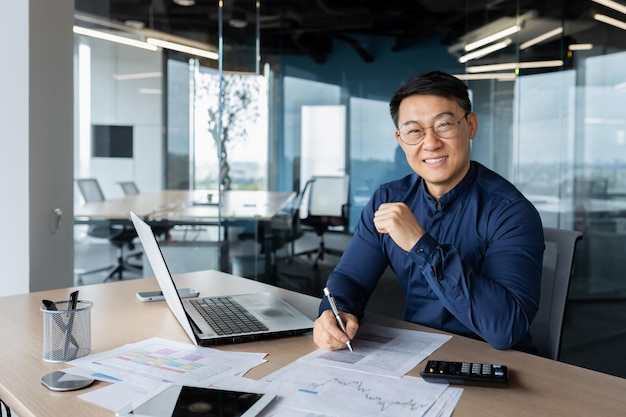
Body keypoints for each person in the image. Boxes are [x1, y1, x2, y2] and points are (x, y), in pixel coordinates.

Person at [313, 71, 544, 353]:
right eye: (414, 131)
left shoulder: (510, 212)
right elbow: (350, 279)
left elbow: (505, 330)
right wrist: (334, 313)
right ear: (400, 140)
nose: (431, 143)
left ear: (470, 126)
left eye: (444, 125)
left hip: (494, 364)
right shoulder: (388, 199)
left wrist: (421, 245)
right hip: (417, 356)